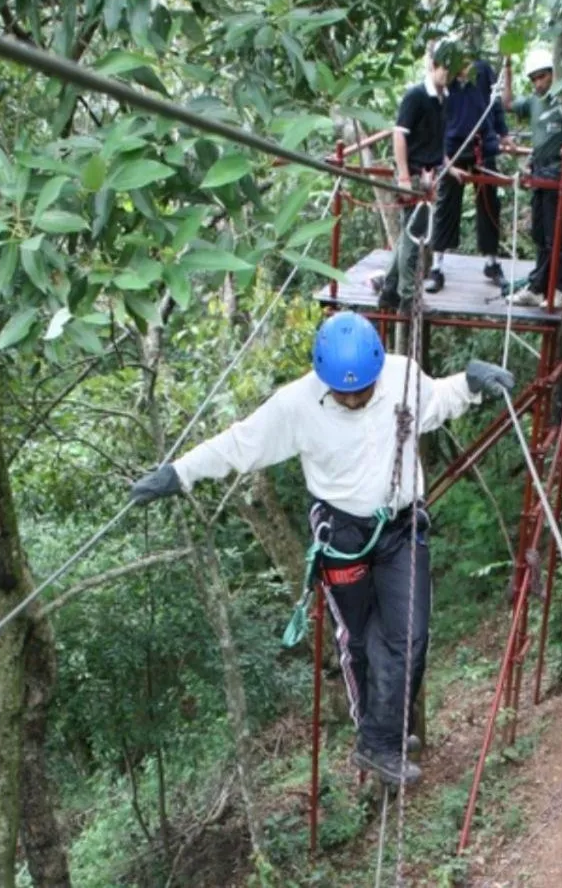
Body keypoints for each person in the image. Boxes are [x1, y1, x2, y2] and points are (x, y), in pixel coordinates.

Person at [128, 312, 515, 785]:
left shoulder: (400, 377)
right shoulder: (297, 405)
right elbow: (240, 443)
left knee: (409, 634)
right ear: (322, 380)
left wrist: (473, 381)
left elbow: (436, 401)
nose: (353, 399)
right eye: (342, 391)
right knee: (360, 639)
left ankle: (379, 736)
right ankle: (380, 735)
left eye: (362, 389)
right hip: (342, 533)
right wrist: (180, 473)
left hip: (398, 527)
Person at [374, 39, 465, 313]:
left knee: (408, 236)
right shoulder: (415, 96)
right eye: (445, 72)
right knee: (414, 239)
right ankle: (409, 298)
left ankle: (390, 291)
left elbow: (435, 141)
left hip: (429, 174)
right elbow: (399, 134)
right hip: (413, 175)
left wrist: (447, 166)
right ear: (434, 66)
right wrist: (404, 177)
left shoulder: (444, 99)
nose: (448, 79)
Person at [501, 47, 562, 309]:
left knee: (559, 233)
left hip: (558, 172)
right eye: (533, 79)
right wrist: (508, 70)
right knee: (541, 233)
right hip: (539, 171)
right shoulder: (534, 101)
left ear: (553, 74)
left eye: (542, 77)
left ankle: (561, 289)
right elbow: (508, 104)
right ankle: (538, 288)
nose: (537, 83)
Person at [434, 52, 510, 290]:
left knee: (489, 204)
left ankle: (491, 262)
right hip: (454, 148)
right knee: (447, 205)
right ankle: (437, 267)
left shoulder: (483, 71)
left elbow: (495, 104)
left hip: (482, 145)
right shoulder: (445, 80)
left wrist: (503, 133)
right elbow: (434, 111)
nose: (464, 69)